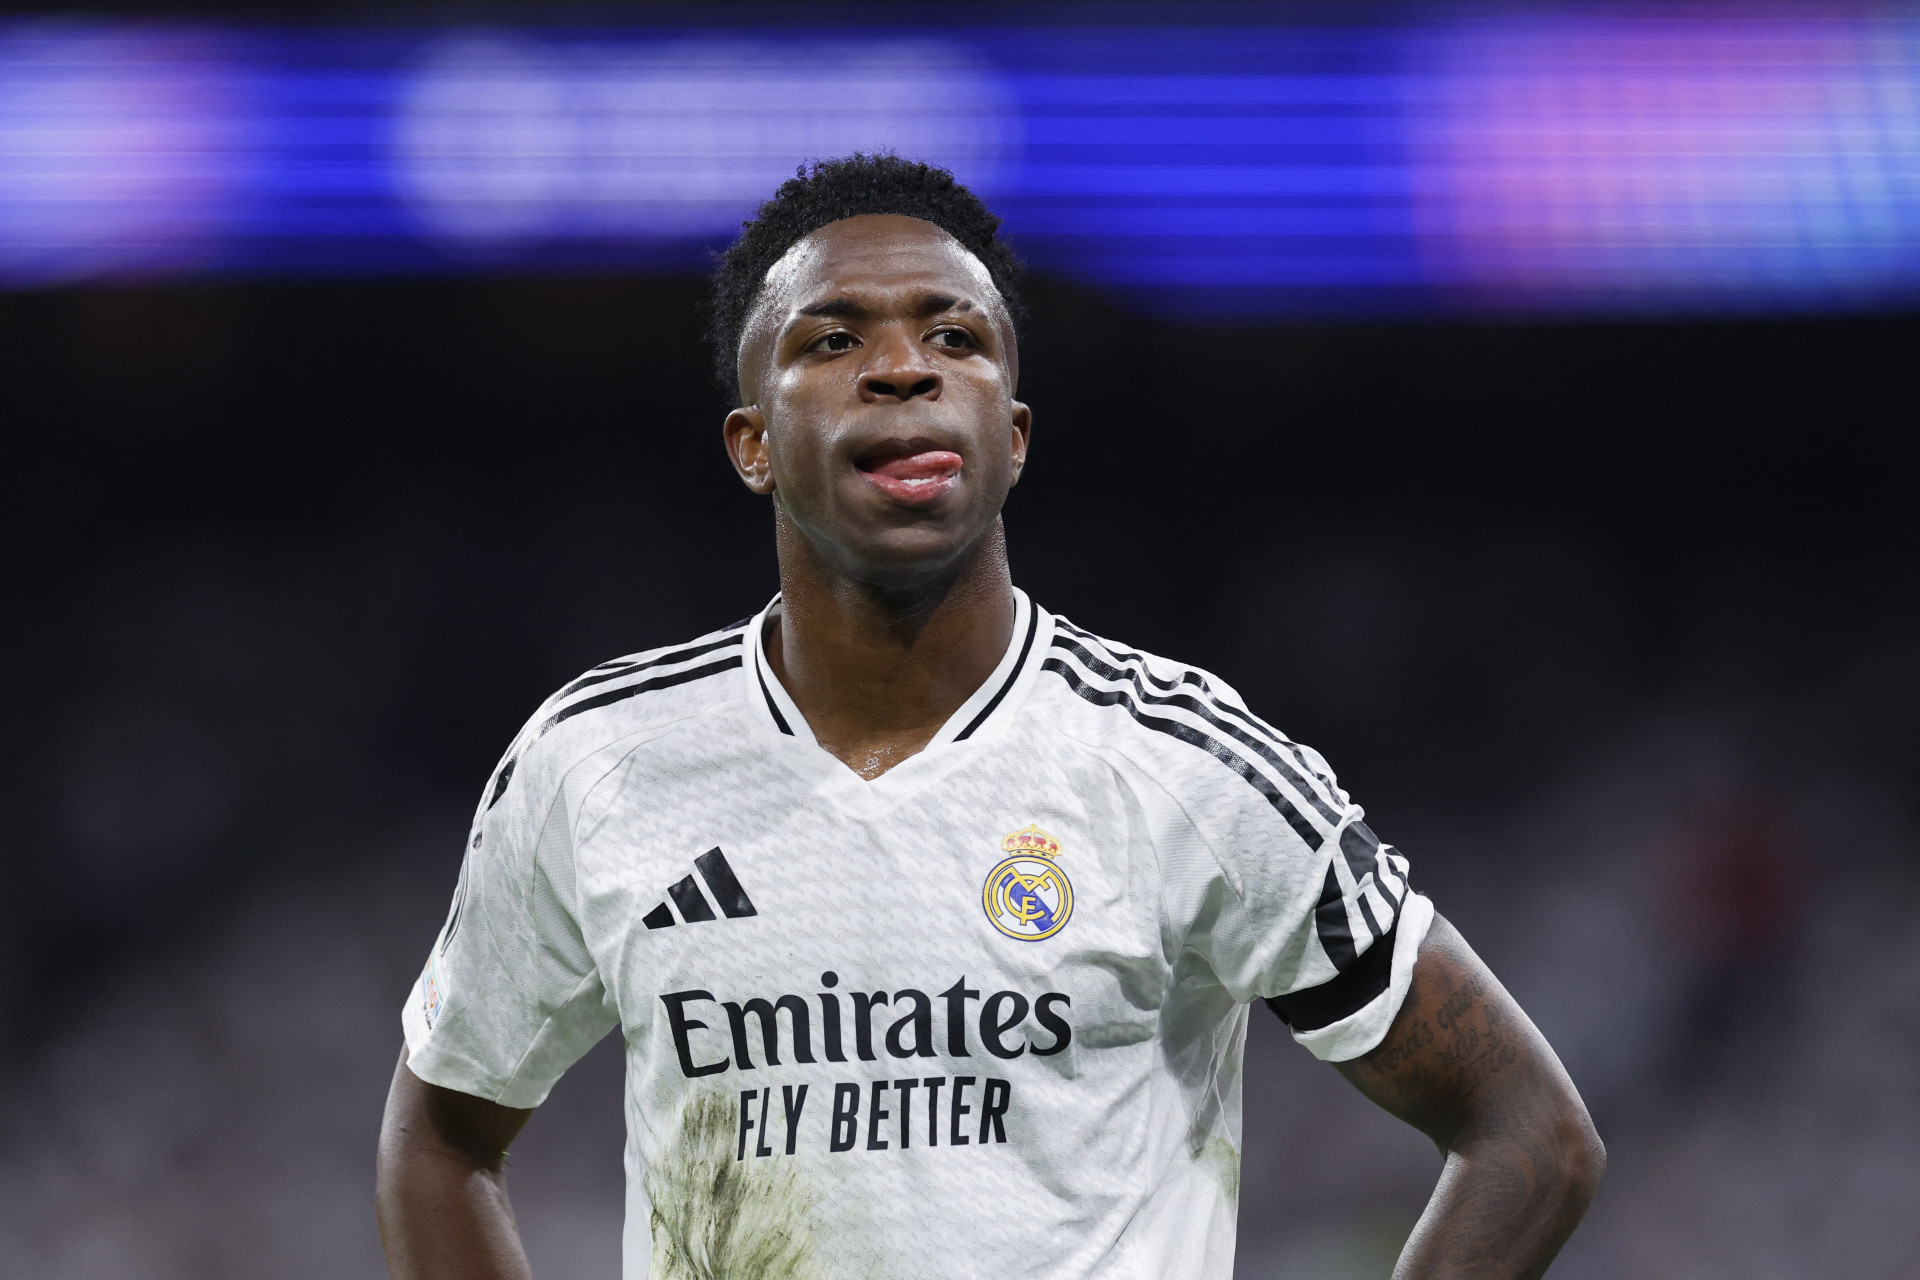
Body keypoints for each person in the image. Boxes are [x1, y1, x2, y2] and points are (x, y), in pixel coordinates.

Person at [375, 154, 1603, 1280]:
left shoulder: (1183, 765)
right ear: (753, 444)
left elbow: (1530, 1131)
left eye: (954, 335)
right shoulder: (599, 762)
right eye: (834, 338)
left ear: (1011, 438)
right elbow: (440, 1137)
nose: (903, 365)